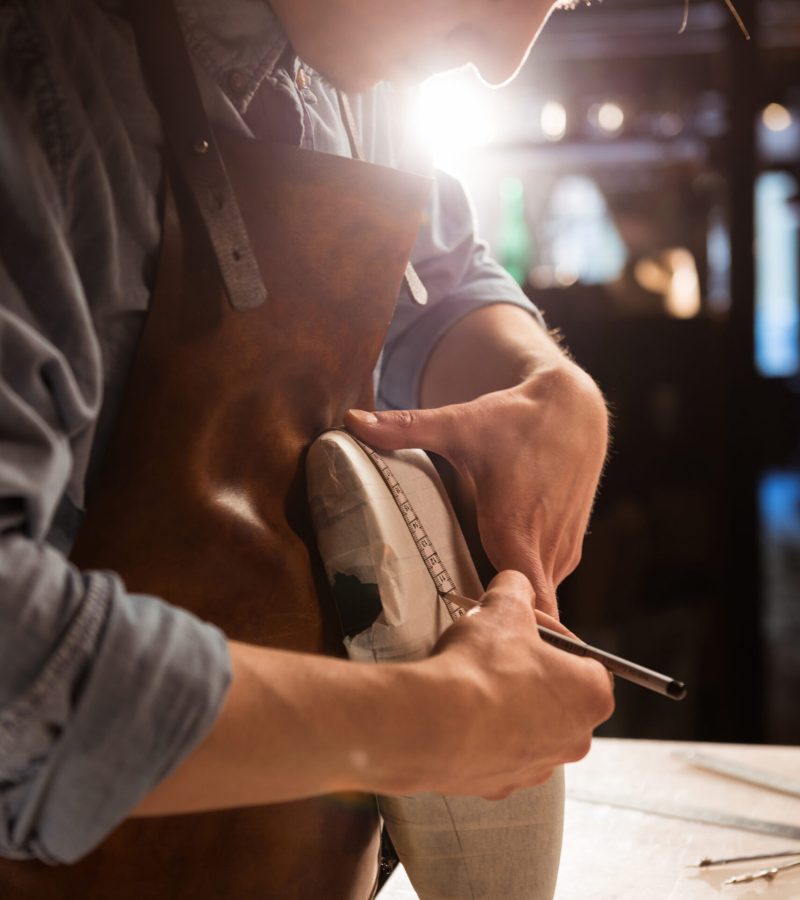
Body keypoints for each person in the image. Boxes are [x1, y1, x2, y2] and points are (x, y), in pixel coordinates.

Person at [0, 0, 614, 896]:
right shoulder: (39, 76)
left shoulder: (364, 76)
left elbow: (440, 281)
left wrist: (548, 386)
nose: (503, 58)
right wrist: (431, 728)